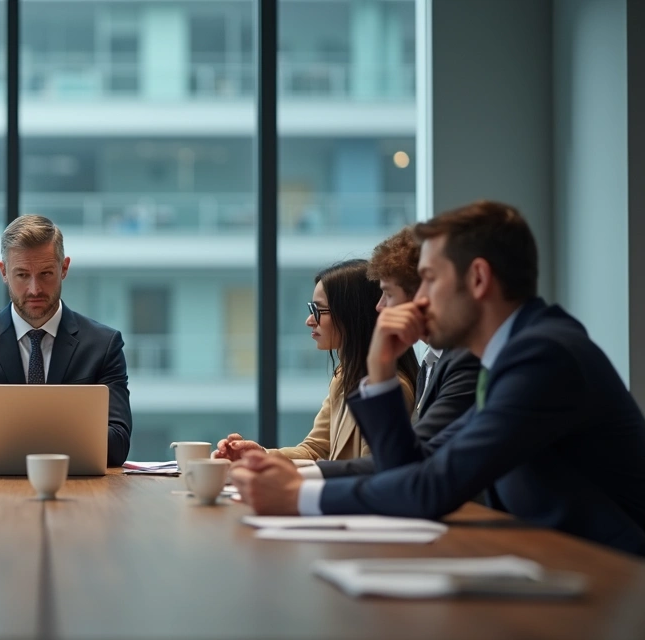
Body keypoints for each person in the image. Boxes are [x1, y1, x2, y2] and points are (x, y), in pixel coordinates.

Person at [230, 201, 645, 556]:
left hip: (612, 578)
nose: (419, 298)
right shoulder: (510, 355)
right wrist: (380, 371)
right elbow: (416, 466)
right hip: (556, 562)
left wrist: (298, 496)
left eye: (428, 278)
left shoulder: (543, 356)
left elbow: (433, 488)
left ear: (478, 279)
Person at [267, 228, 480, 478]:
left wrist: (296, 486)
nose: (379, 307)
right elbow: (319, 449)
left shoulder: (447, 367)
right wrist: (258, 457)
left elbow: (399, 465)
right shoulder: (429, 363)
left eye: (388, 294)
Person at [0, 215, 133, 466]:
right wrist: (63, 431)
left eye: (46, 273)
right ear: (3, 271)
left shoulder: (104, 345)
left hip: (78, 495)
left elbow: (117, 445)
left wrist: (1, 425)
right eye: (22, 275)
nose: (34, 289)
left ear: (64, 268)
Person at [216, 260, 418, 463]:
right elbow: (315, 449)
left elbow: (372, 473)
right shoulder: (344, 376)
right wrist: (258, 454)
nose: (310, 320)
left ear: (351, 314)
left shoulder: (389, 389)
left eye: (319, 310)